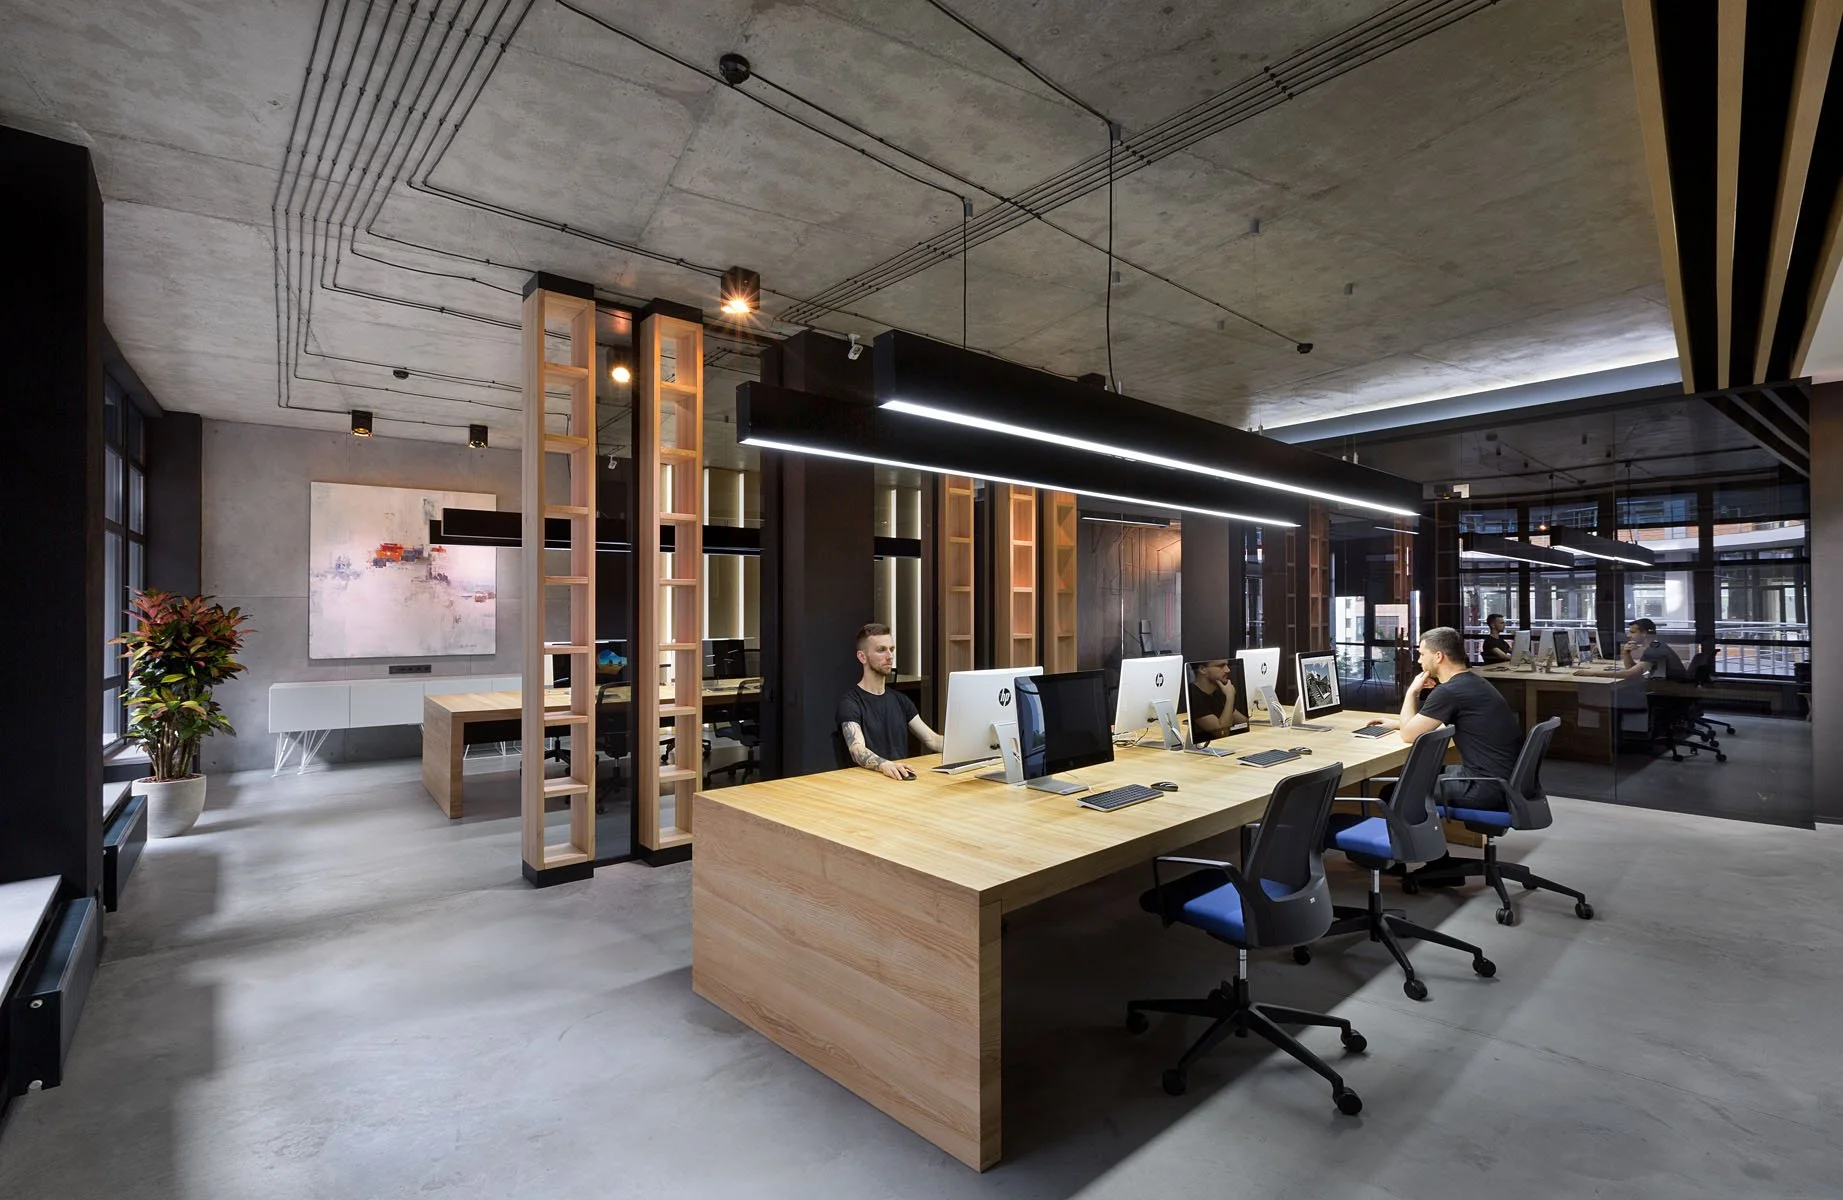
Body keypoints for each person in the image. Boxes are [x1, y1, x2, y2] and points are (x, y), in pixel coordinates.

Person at [1363, 626, 1526, 880]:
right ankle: (1439, 863)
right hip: (1503, 781)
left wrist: (1412, 692)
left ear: (1438, 656)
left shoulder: (1449, 691)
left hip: (1484, 787)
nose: (1418, 660)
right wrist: (1399, 723)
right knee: (1418, 779)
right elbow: (1434, 723)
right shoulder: (1473, 682)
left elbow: (1409, 735)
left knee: (1395, 792)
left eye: (1421, 654)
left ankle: (1407, 861)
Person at [836, 622, 942, 779]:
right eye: (881, 650)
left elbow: (932, 739)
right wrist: (884, 765)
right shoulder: (850, 703)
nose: (890, 656)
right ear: (862, 656)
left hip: (900, 780)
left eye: (891, 649)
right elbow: (857, 749)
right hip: (867, 785)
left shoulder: (901, 700)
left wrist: (970, 748)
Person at [1573, 617, 1688, 681]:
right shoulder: (1656, 646)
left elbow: (1629, 674)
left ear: (1644, 633)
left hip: (1669, 695)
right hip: (1668, 691)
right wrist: (1626, 653)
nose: (1629, 635)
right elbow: (1634, 670)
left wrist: (1592, 673)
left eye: (1633, 632)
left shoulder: (1654, 651)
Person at [1185, 659, 1248, 740]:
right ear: (1202, 669)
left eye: (1227, 665)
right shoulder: (1194, 696)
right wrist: (1230, 696)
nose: (1228, 670)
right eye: (1221, 666)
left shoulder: (1217, 692)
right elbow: (1223, 732)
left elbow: (1243, 722)